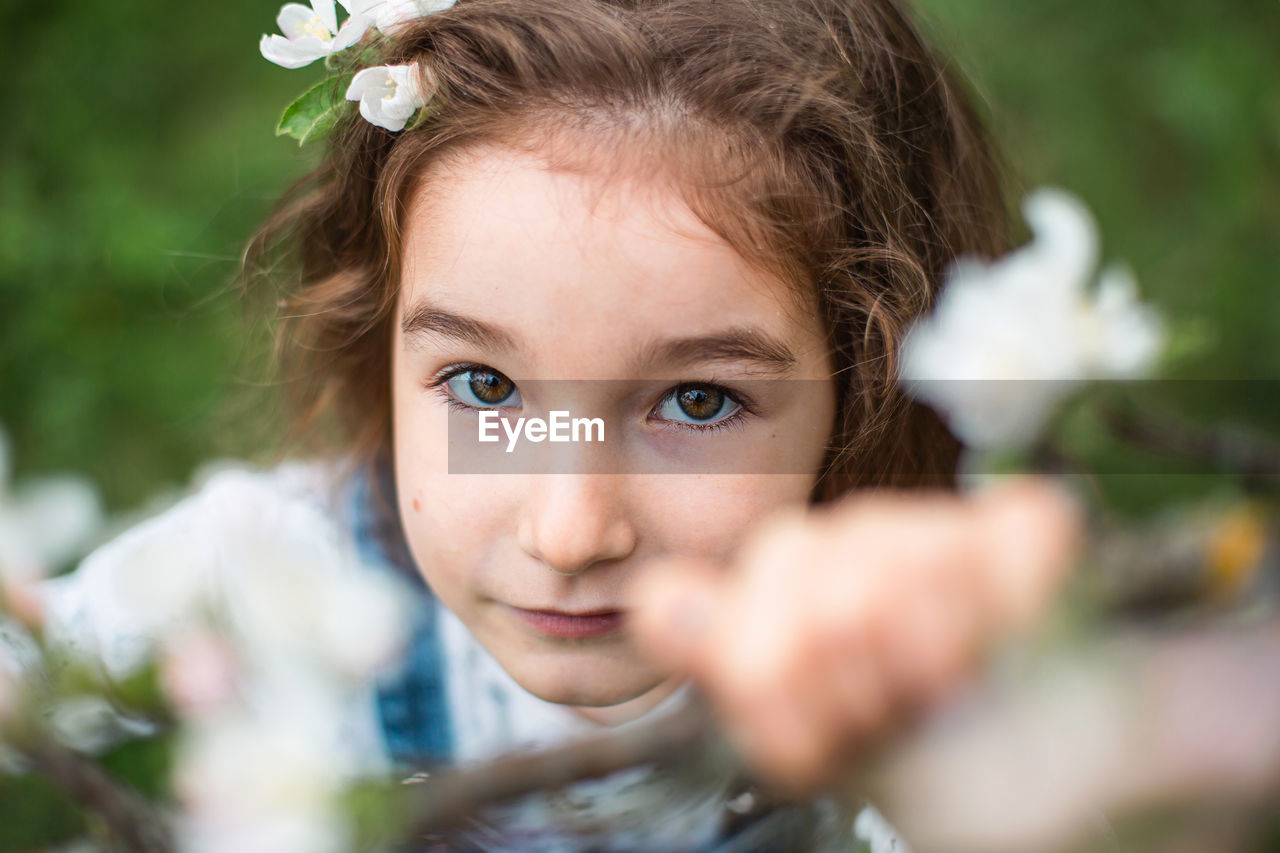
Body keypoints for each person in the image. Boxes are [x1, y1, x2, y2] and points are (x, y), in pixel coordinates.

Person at [40, 0, 1081, 849]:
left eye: (698, 400)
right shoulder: (274, 577)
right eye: (485, 389)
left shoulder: (904, 672)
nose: (569, 533)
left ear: (866, 385)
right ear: (380, 337)